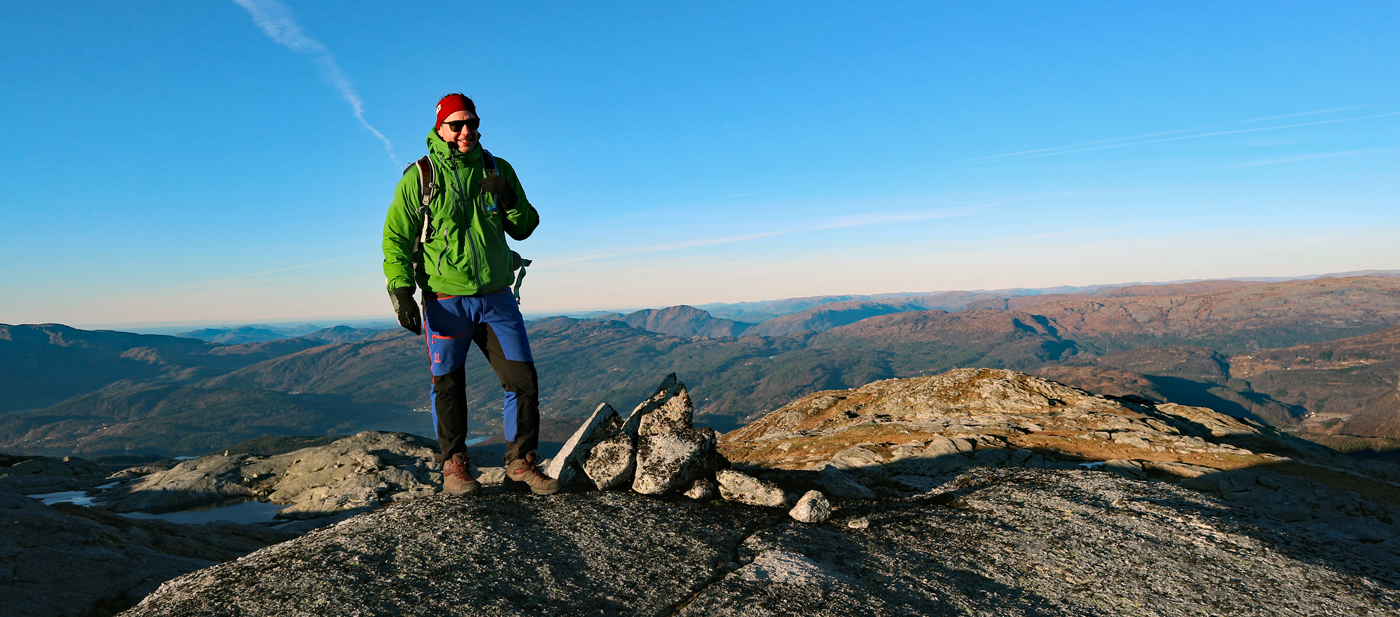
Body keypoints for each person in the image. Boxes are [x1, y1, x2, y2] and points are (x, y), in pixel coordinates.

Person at [381, 93, 560, 496]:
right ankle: (455, 466)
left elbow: (525, 227)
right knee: (447, 382)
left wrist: (509, 197)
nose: (466, 131)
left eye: (472, 123)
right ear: (440, 128)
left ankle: (520, 463)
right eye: (457, 124)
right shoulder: (420, 178)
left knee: (522, 379)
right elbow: (396, 238)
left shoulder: (498, 168)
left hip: (496, 296)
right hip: (446, 298)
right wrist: (401, 290)